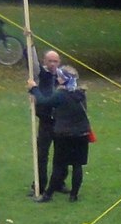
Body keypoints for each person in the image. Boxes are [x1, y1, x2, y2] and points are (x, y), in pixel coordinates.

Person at [27, 66, 91, 202]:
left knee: (59, 165)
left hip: (65, 134)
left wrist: (33, 88)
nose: (58, 78)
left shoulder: (61, 95)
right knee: (77, 165)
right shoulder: (80, 93)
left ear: (65, 79)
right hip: (82, 133)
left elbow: (45, 102)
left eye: (60, 76)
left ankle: (48, 195)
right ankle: (73, 195)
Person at [28, 47, 68, 196]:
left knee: (62, 154)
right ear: (45, 61)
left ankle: (58, 183)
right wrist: (30, 45)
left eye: (55, 61)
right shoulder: (41, 74)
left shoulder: (64, 76)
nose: (52, 64)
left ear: (59, 62)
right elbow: (32, 63)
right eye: (50, 61)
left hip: (61, 122)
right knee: (42, 154)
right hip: (45, 121)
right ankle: (39, 185)